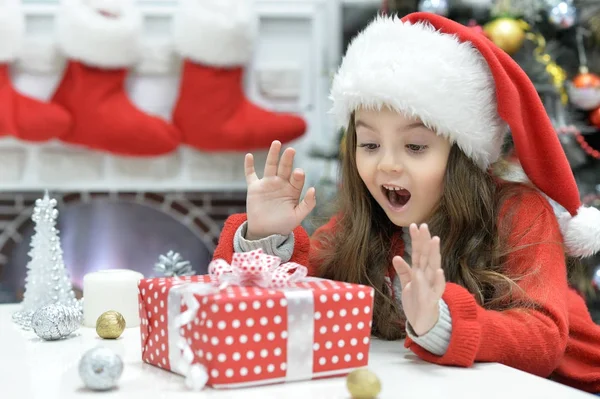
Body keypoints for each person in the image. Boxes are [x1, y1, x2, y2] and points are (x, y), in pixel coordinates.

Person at [213, 12, 600, 393]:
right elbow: (295, 295)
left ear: (461, 155)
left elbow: (543, 339)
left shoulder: (519, 213)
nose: (388, 164)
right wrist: (265, 235)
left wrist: (441, 321)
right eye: (369, 144)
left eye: (415, 146)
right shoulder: (362, 223)